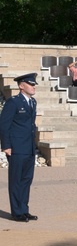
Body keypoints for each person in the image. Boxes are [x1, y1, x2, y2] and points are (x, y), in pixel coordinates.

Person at [0, 74, 38, 221]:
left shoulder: (33, 102)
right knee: (16, 181)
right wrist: (6, 146)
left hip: (28, 147)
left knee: (26, 180)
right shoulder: (13, 102)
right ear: (21, 86)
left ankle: (24, 209)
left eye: (34, 85)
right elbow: (4, 125)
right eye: (31, 84)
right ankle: (17, 212)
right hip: (16, 148)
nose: (34, 87)